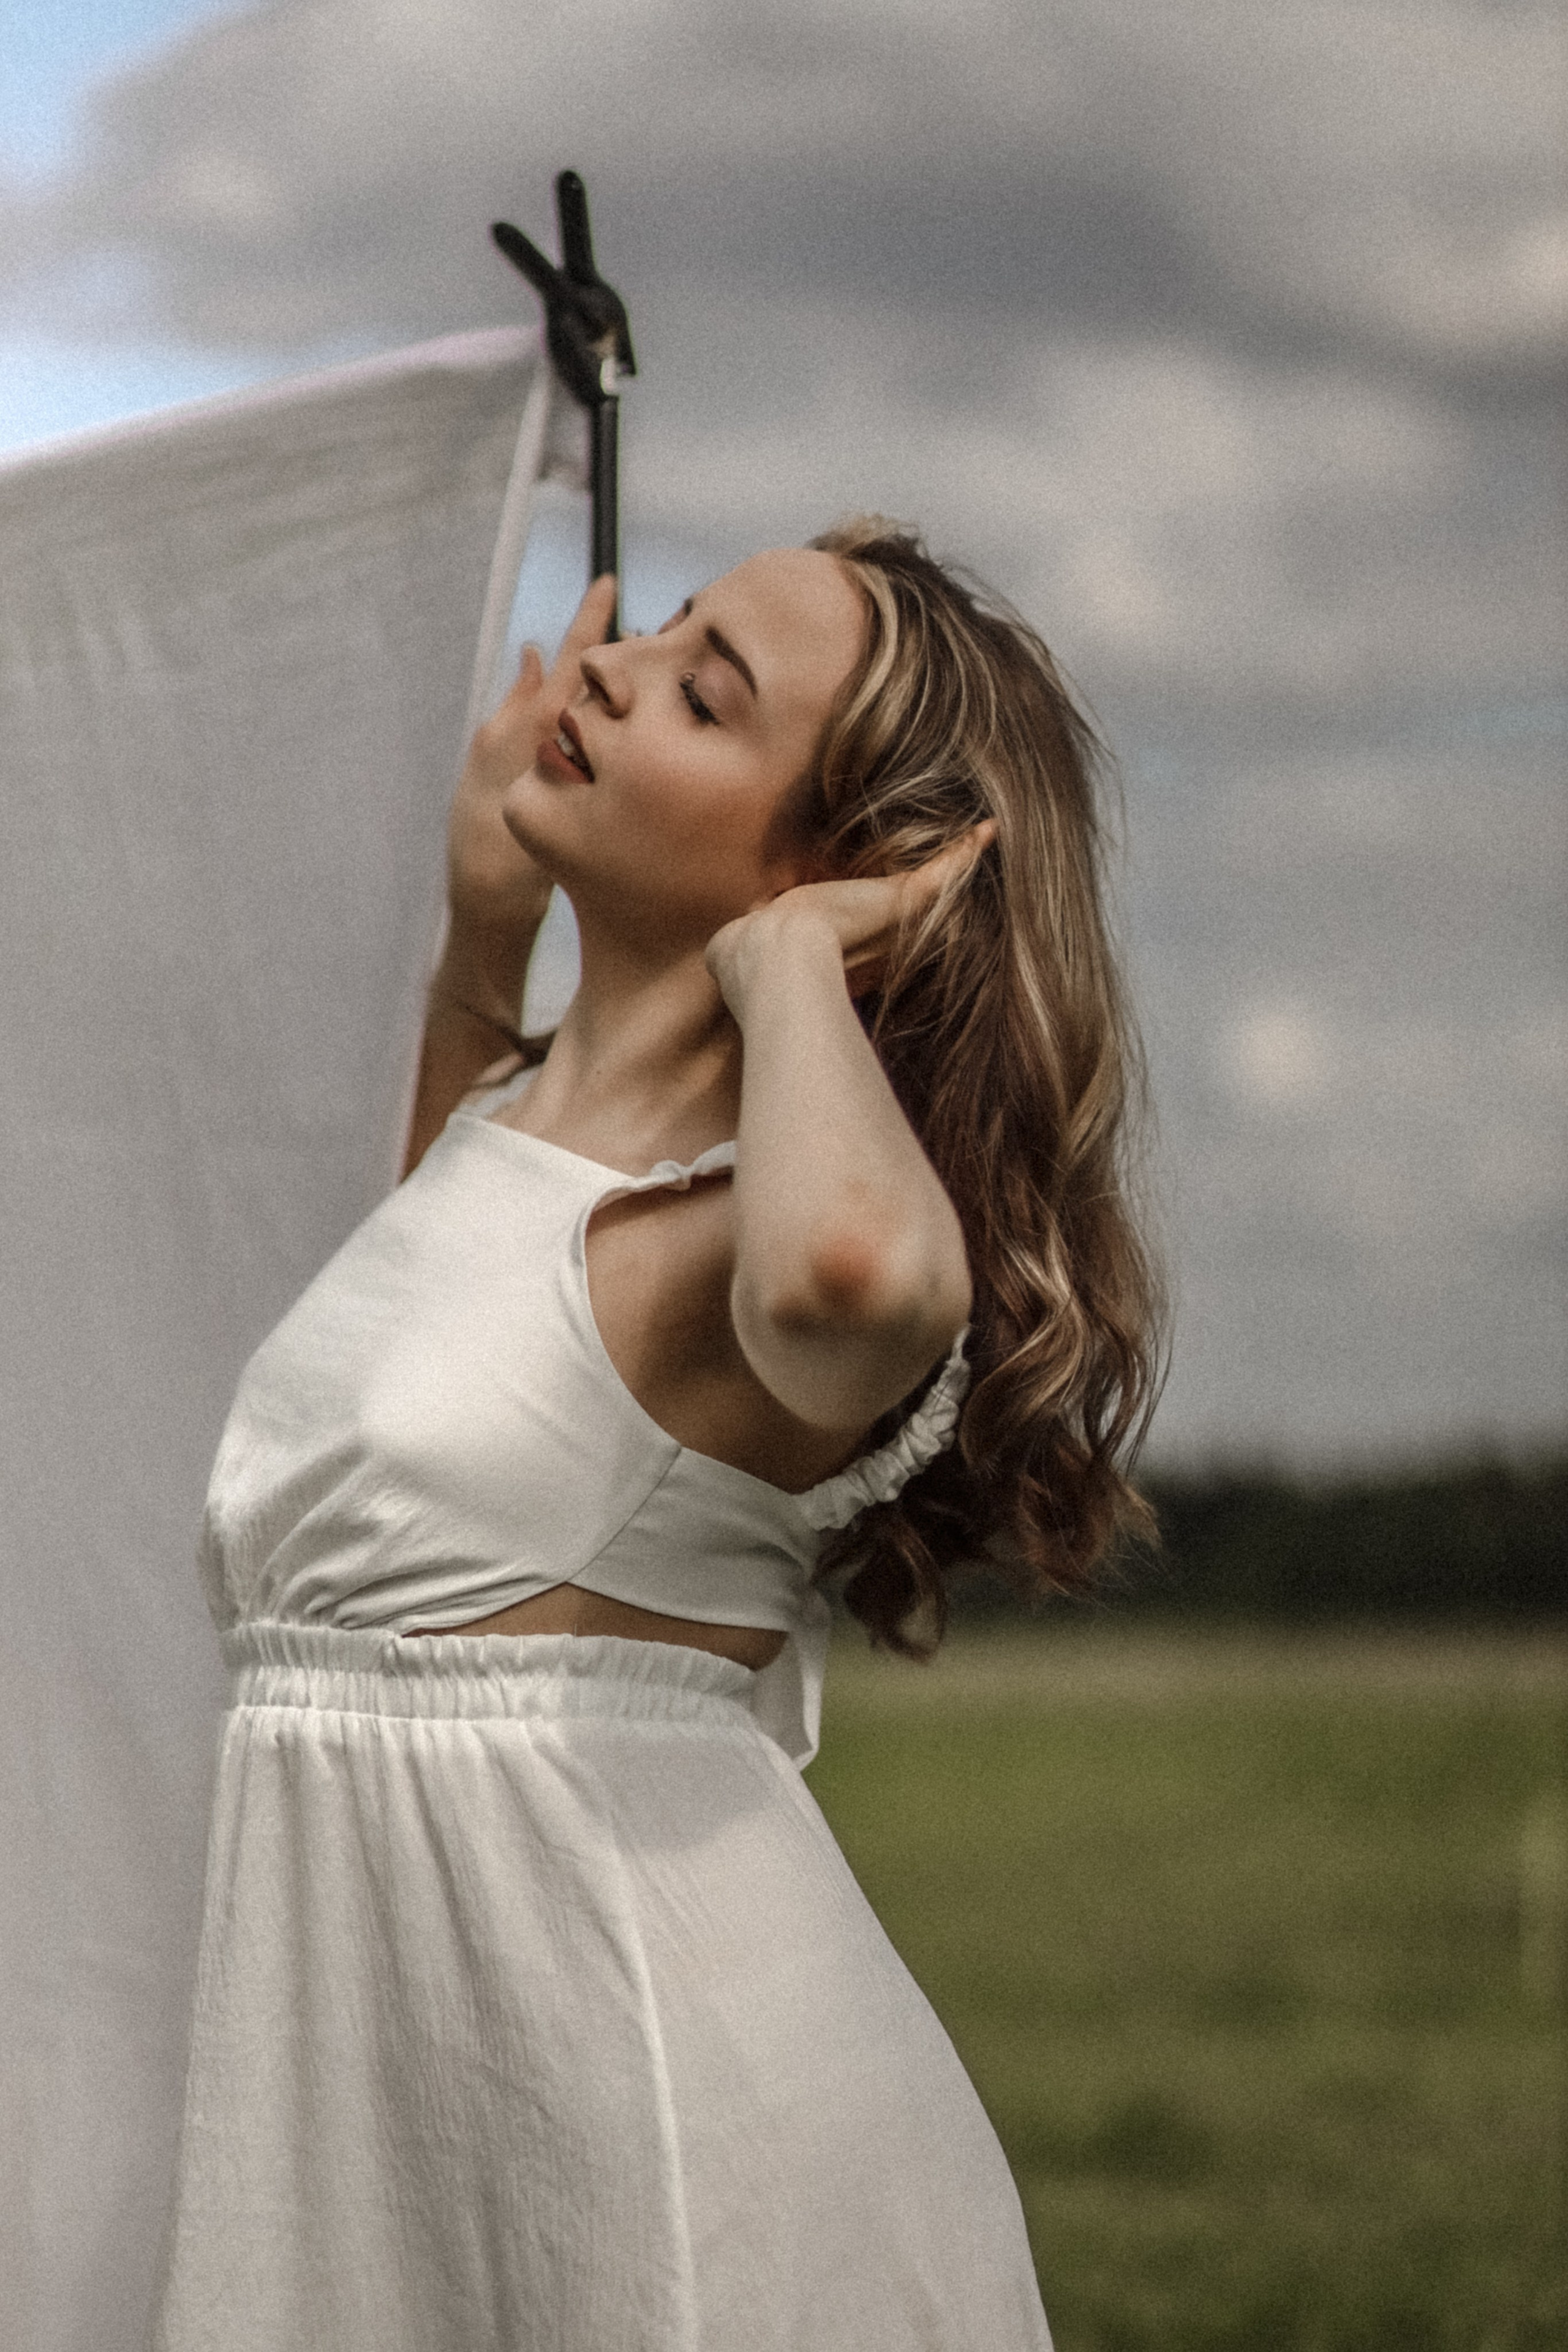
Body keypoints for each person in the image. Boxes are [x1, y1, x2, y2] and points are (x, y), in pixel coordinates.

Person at [153, 517, 1163, 2350]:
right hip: (439, 2120)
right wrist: (488, 930)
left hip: (658, 2139)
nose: (610, 665)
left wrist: (792, 974)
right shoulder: (536, 1132)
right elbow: (448, 1302)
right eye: (671, 625)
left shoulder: (748, 1237)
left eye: (703, 692)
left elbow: (856, 1289)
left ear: (846, 873)